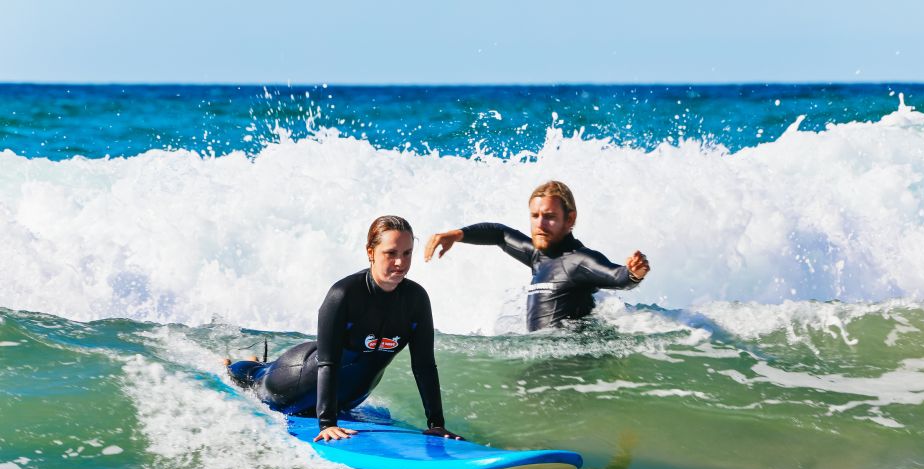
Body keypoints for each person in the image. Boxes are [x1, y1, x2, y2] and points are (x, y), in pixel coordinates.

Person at [227, 216, 462, 442]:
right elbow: (328, 363)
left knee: (263, 370)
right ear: (371, 252)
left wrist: (436, 424)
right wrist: (327, 423)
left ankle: (256, 362)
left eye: (407, 253)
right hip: (295, 386)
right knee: (256, 378)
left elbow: (424, 366)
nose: (400, 262)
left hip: (350, 398)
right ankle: (234, 365)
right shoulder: (345, 294)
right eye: (391, 253)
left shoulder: (416, 299)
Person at [423, 180, 650, 331]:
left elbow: (617, 277)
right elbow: (500, 235)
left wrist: (633, 272)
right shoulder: (537, 257)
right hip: (545, 355)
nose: (540, 224)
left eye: (549, 216)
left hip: (569, 362)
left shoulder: (579, 260)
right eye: (535, 215)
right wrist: (459, 234)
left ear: (569, 219)